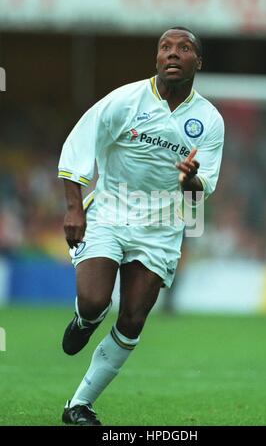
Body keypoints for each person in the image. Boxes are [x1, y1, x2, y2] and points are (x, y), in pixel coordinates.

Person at [58, 26, 224, 426]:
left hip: (162, 225)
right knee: (96, 300)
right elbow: (78, 145)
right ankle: (86, 318)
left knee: (132, 318)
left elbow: (204, 186)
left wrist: (190, 182)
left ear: (197, 62)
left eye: (183, 49)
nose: (172, 54)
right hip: (111, 212)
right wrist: (74, 208)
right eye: (165, 47)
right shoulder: (125, 100)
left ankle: (78, 406)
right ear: (156, 58)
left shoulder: (209, 120)